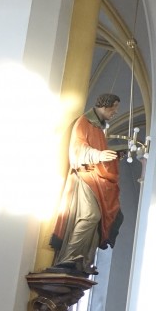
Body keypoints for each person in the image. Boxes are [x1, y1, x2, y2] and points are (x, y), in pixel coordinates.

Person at [49, 94, 123, 275]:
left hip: (95, 177)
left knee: (99, 221)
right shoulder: (84, 122)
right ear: (105, 106)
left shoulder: (98, 129)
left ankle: (83, 260)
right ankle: (69, 257)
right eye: (114, 109)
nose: (115, 113)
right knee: (90, 215)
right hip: (85, 177)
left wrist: (112, 157)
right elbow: (78, 149)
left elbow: (99, 153)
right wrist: (99, 155)